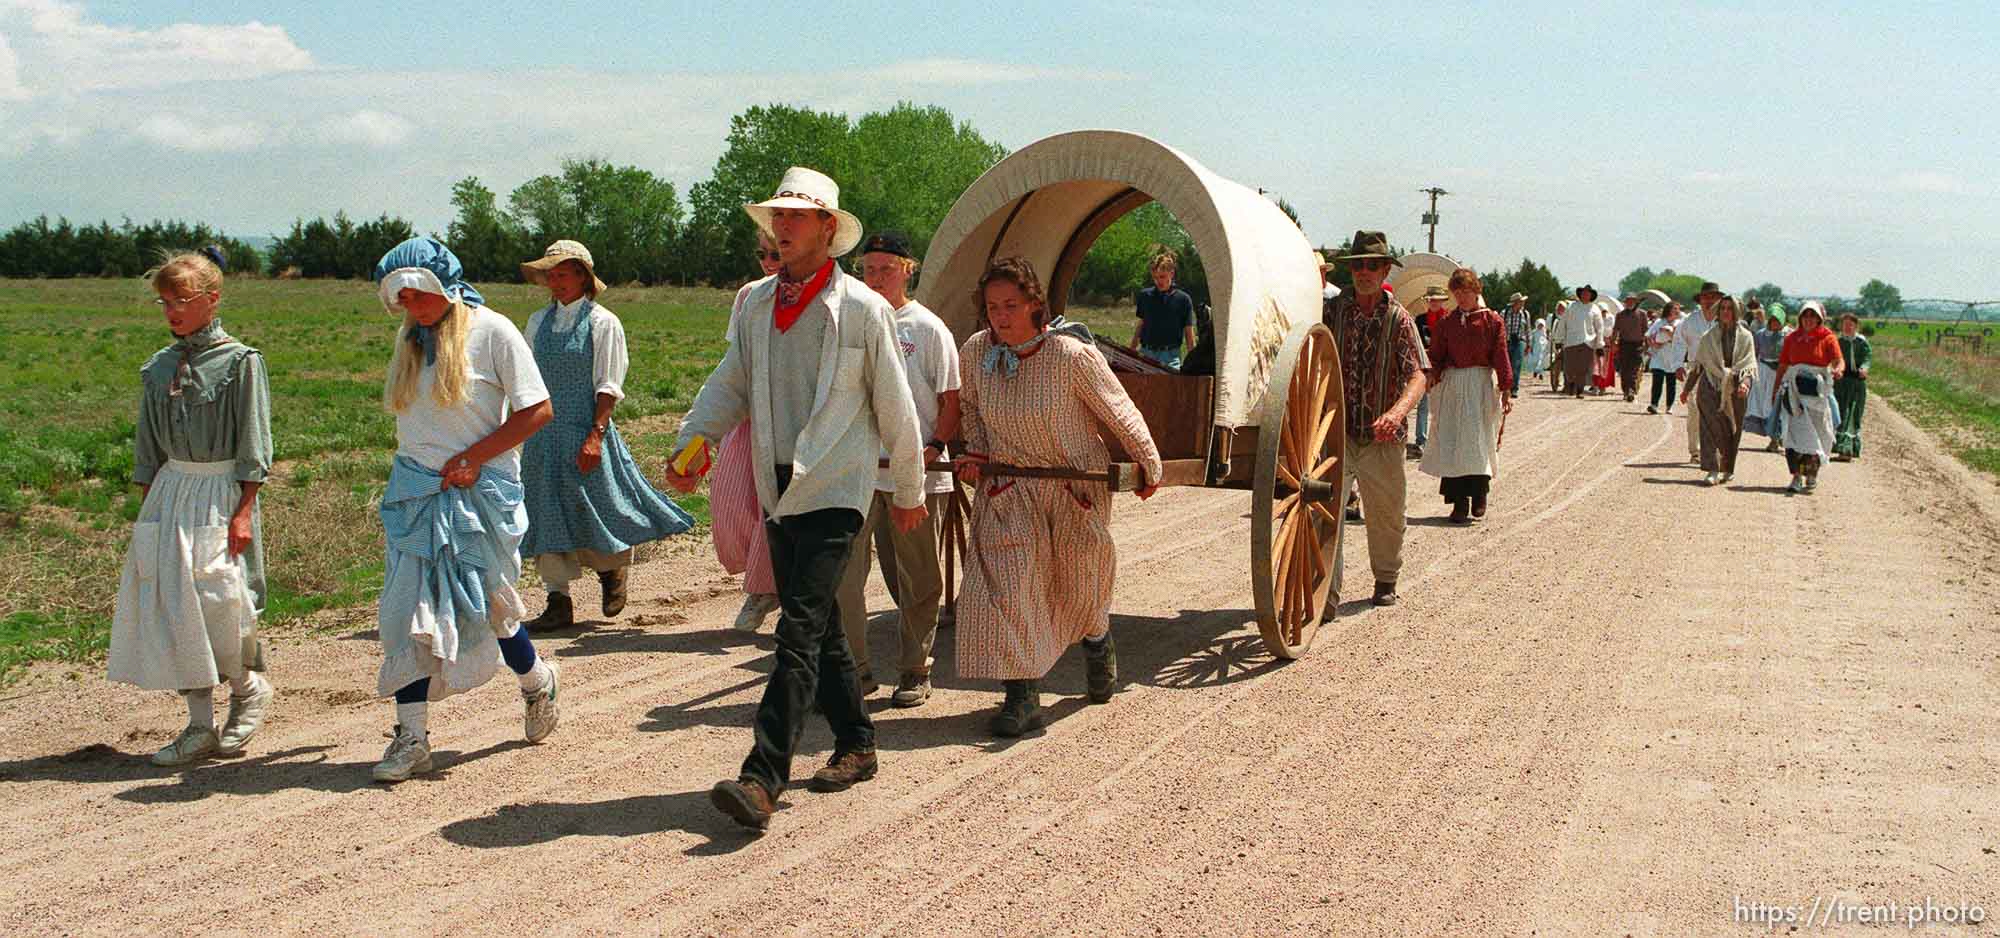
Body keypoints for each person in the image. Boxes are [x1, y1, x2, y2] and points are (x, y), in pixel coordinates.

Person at [664, 166, 928, 831]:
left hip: (837, 486)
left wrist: (907, 489)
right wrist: (694, 441)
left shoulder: (863, 309)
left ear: (828, 230)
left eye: (797, 217)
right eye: (777, 217)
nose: (782, 227)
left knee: (799, 627)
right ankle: (859, 743)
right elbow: (731, 383)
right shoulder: (755, 302)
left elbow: (895, 407)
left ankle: (763, 776)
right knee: (824, 627)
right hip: (774, 485)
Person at [368, 237, 562, 784]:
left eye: (416, 292)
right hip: (417, 494)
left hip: (480, 494)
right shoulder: (410, 338)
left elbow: (538, 410)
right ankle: (411, 736)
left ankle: (536, 681)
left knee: (492, 608)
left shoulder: (493, 331)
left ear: (443, 285)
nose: (409, 304)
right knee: (405, 612)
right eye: (400, 296)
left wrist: (474, 459)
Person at [953, 256, 1162, 737]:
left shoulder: (1071, 356)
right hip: (1009, 489)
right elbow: (971, 411)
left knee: (1079, 579)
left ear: (1034, 305)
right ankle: (1021, 697)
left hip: (1072, 488)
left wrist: (1147, 463)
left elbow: (1119, 410)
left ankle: (1097, 639)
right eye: (992, 307)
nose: (1000, 316)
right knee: (1009, 588)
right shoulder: (976, 352)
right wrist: (978, 455)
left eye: (1010, 305)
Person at [107, 252, 274, 767]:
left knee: (222, 598)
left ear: (212, 299)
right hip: (170, 492)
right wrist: (149, 512)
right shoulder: (158, 368)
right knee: (176, 604)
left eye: (183, 300)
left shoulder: (241, 362)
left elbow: (254, 441)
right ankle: (199, 723)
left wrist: (244, 510)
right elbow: (147, 446)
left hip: (219, 489)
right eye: (166, 302)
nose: (173, 311)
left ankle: (248, 689)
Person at [517, 240, 693, 629]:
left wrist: (596, 433)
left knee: (596, 504)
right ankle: (557, 599)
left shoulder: (603, 322)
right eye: (551, 275)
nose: (555, 281)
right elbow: (526, 379)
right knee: (546, 510)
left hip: (585, 428)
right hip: (544, 434)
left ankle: (611, 572)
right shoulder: (536, 323)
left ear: (583, 276)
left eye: (563, 273)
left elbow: (609, 384)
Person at [836, 232, 959, 708]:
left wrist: (933, 448)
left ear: (909, 269)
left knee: (917, 576)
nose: (876, 277)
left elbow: (951, 401)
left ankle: (914, 669)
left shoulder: (926, 329)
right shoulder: (855, 322)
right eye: (868, 269)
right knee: (845, 574)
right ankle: (857, 670)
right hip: (861, 472)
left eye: (887, 268)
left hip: (916, 475)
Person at [1323, 231, 1426, 607]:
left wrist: (1397, 412)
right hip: (1336, 432)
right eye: (1358, 266)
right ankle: (1325, 597)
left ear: (1384, 270)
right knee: (1324, 512)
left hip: (1384, 435)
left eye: (1371, 266)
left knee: (1386, 515)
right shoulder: (1332, 312)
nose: (1363, 272)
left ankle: (1385, 579)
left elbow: (1418, 374)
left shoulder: (1399, 319)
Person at [713, 235, 785, 631]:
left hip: (792, 417)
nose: (768, 262)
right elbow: (734, 360)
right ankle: (762, 582)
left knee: (775, 507)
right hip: (750, 412)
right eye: (763, 254)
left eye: (776, 253)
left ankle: (764, 589)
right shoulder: (747, 296)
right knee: (731, 500)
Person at [1419, 269, 1512, 523]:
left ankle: (1479, 494)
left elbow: (1501, 355)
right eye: (1457, 292)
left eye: (1466, 292)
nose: (1461, 297)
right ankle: (1458, 503)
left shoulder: (1492, 321)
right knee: (1453, 440)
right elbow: (1436, 356)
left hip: (1480, 384)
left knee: (1478, 440)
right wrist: (1431, 377)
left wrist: (1505, 388)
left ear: (1476, 292)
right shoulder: (1447, 323)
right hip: (1454, 385)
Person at [1682, 296, 1755, 485]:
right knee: (1707, 426)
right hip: (1710, 385)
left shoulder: (1746, 338)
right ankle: (1712, 469)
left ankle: (1728, 467)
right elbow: (1699, 365)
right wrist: (1687, 389)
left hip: (1735, 387)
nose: (1725, 312)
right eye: (1722, 308)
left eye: (1730, 308)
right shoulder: (1709, 337)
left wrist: (1745, 384)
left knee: (1732, 428)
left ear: (1736, 312)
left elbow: (1748, 365)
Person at [1774, 301, 1845, 494]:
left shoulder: (1828, 338)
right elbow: (1782, 365)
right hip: (1794, 394)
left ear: (1819, 319)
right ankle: (1796, 476)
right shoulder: (1792, 339)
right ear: (1800, 318)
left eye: (1813, 316)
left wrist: (1838, 370)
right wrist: (1775, 391)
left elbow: (1838, 360)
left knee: (1818, 436)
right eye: (1805, 316)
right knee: (1794, 436)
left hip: (1817, 395)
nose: (1809, 320)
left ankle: (1811, 474)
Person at [1676, 282, 1724, 462]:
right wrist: (1677, 365)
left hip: (1719, 371)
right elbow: (1679, 342)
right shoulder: (1690, 321)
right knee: (1695, 411)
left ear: (1719, 299)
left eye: (1713, 297)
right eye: (1706, 297)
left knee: (1718, 412)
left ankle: (1715, 451)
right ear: (1700, 299)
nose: (1709, 300)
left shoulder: (1724, 320)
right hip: (1695, 368)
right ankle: (1695, 451)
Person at [1129, 251, 1195, 369]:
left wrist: (1194, 365)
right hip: (1146, 354)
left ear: (1172, 273)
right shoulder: (1145, 296)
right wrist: (1131, 351)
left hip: (1171, 357)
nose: (1158, 281)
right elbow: (1140, 326)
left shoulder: (1183, 299)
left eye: (1162, 277)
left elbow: (1189, 334)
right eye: (1155, 277)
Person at [1410, 285, 1449, 458]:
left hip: (1444, 367)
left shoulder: (1449, 320)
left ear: (1442, 301)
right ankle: (1421, 441)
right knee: (1424, 405)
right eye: (1431, 299)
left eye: (1436, 300)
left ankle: (1442, 440)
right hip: (1425, 367)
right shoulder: (1420, 320)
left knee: (1443, 404)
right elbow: (1416, 342)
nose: (1433, 302)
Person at [1743, 309, 1791, 449]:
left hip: (1782, 373)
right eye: (1773, 320)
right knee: (1768, 406)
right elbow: (1754, 353)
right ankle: (1774, 439)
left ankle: (1781, 437)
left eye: (1778, 321)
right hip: (1764, 374)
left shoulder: (1788, 335)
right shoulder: (1761, 335)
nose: (1775, 323)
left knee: (1781, 406)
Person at [1833, 314, 1871, 461]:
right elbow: (1835, 358)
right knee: (1841, 412)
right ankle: (1840, 447)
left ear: (1856, 326)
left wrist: (1864, 368)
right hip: (1842, 383)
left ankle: (1848, 450)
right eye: (1844, 324)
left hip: (1857, 384)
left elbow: (1868, 357)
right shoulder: (1838, 341)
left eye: (1850, 325)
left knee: (1853, 414)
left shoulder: (1862, 343)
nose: (1847, 327)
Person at [1558, 285, 1603, 399]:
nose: (1585, 295)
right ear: (1580, 294)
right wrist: (1559, 339)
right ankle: (1571, 382)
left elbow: (1599, 328)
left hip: (1587, 342)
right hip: (1571, 341)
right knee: (1569, 367)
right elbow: (1563, 322)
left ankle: (1579, 390)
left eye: (1588, 293)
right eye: (1583, 293)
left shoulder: (1595, 309)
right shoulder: (1571, 307)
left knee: (1583, 369)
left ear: (1591, 296)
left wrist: (1599, 345)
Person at [1645, 302, 1685, 414]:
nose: (1677, 311)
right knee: (1657, 381)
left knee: (1671, 383)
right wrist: (1653, 344)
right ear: (1669, 310)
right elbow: (1648, 335)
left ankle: (1669, 406)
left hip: (1672, 356)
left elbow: (1680, 340)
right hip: (1659, 356)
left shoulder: (1680, 323)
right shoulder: (1659, 322)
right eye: (1675, 308)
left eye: (1678, 309)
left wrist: (1669, 334)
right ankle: (1654, 404)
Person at [1612, 293, 1649, 402]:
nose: (1630, 303)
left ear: (1636, 302)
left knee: (1634, 369)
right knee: (1624, 369)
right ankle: (1626, 390)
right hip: (1624, 344)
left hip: (1637, 344)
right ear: (1625, 303)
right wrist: (1614, 343)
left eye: (1632, 301)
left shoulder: (1642, 314)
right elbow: (1615, 330)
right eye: (1628, 301)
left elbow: (1646, 330)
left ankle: (1631, 390)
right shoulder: (1620, 315)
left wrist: (1646, 345)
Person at [1501, 293, 1530, 398]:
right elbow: (1500, 329)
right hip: (1507, 341)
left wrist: (1528, 344)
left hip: (1519, 341)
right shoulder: (1504, 313)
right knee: (1506, 365)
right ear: (1515, 303)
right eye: (1520, 302)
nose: (1522, 303)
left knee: (1516, 365)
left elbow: (1528, 329)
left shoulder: (1525, 314)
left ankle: (1514, 389)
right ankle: (1506, 387)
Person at [1526, 317, 1551, 381]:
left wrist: (1548, 347)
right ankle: (1536, 371)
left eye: (1542, 325)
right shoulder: (1534, 332)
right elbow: (1532, 340)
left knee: (1541, 361)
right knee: (1536, 361)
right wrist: (1530, 347)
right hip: (1536, 349)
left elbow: (1548, 339)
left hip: (1543, 349)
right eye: (1539, 325)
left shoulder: (1545, 332)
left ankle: (1541, 374)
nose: (1540, 326)